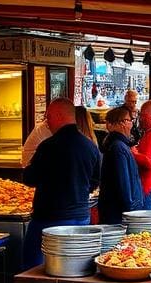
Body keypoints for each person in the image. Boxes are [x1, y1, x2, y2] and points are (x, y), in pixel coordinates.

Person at [22, 99, 101, 270]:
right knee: (74, 266)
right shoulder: (90, 146)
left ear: (58, 116)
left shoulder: (48, 147)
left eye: (48, 117)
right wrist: (79, 190)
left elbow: (30, 178)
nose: (47, 122)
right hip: (80, 216)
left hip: (49, 218)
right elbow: (96, 180)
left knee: (34, 267)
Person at [98, 105, 144, 224]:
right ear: (122, 123)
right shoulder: (119, 148)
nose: (132, 125)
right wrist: (130, 209)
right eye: (130, 120)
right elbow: (123, 183)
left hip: (116, 211)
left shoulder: (117, 146)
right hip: (120, 215)